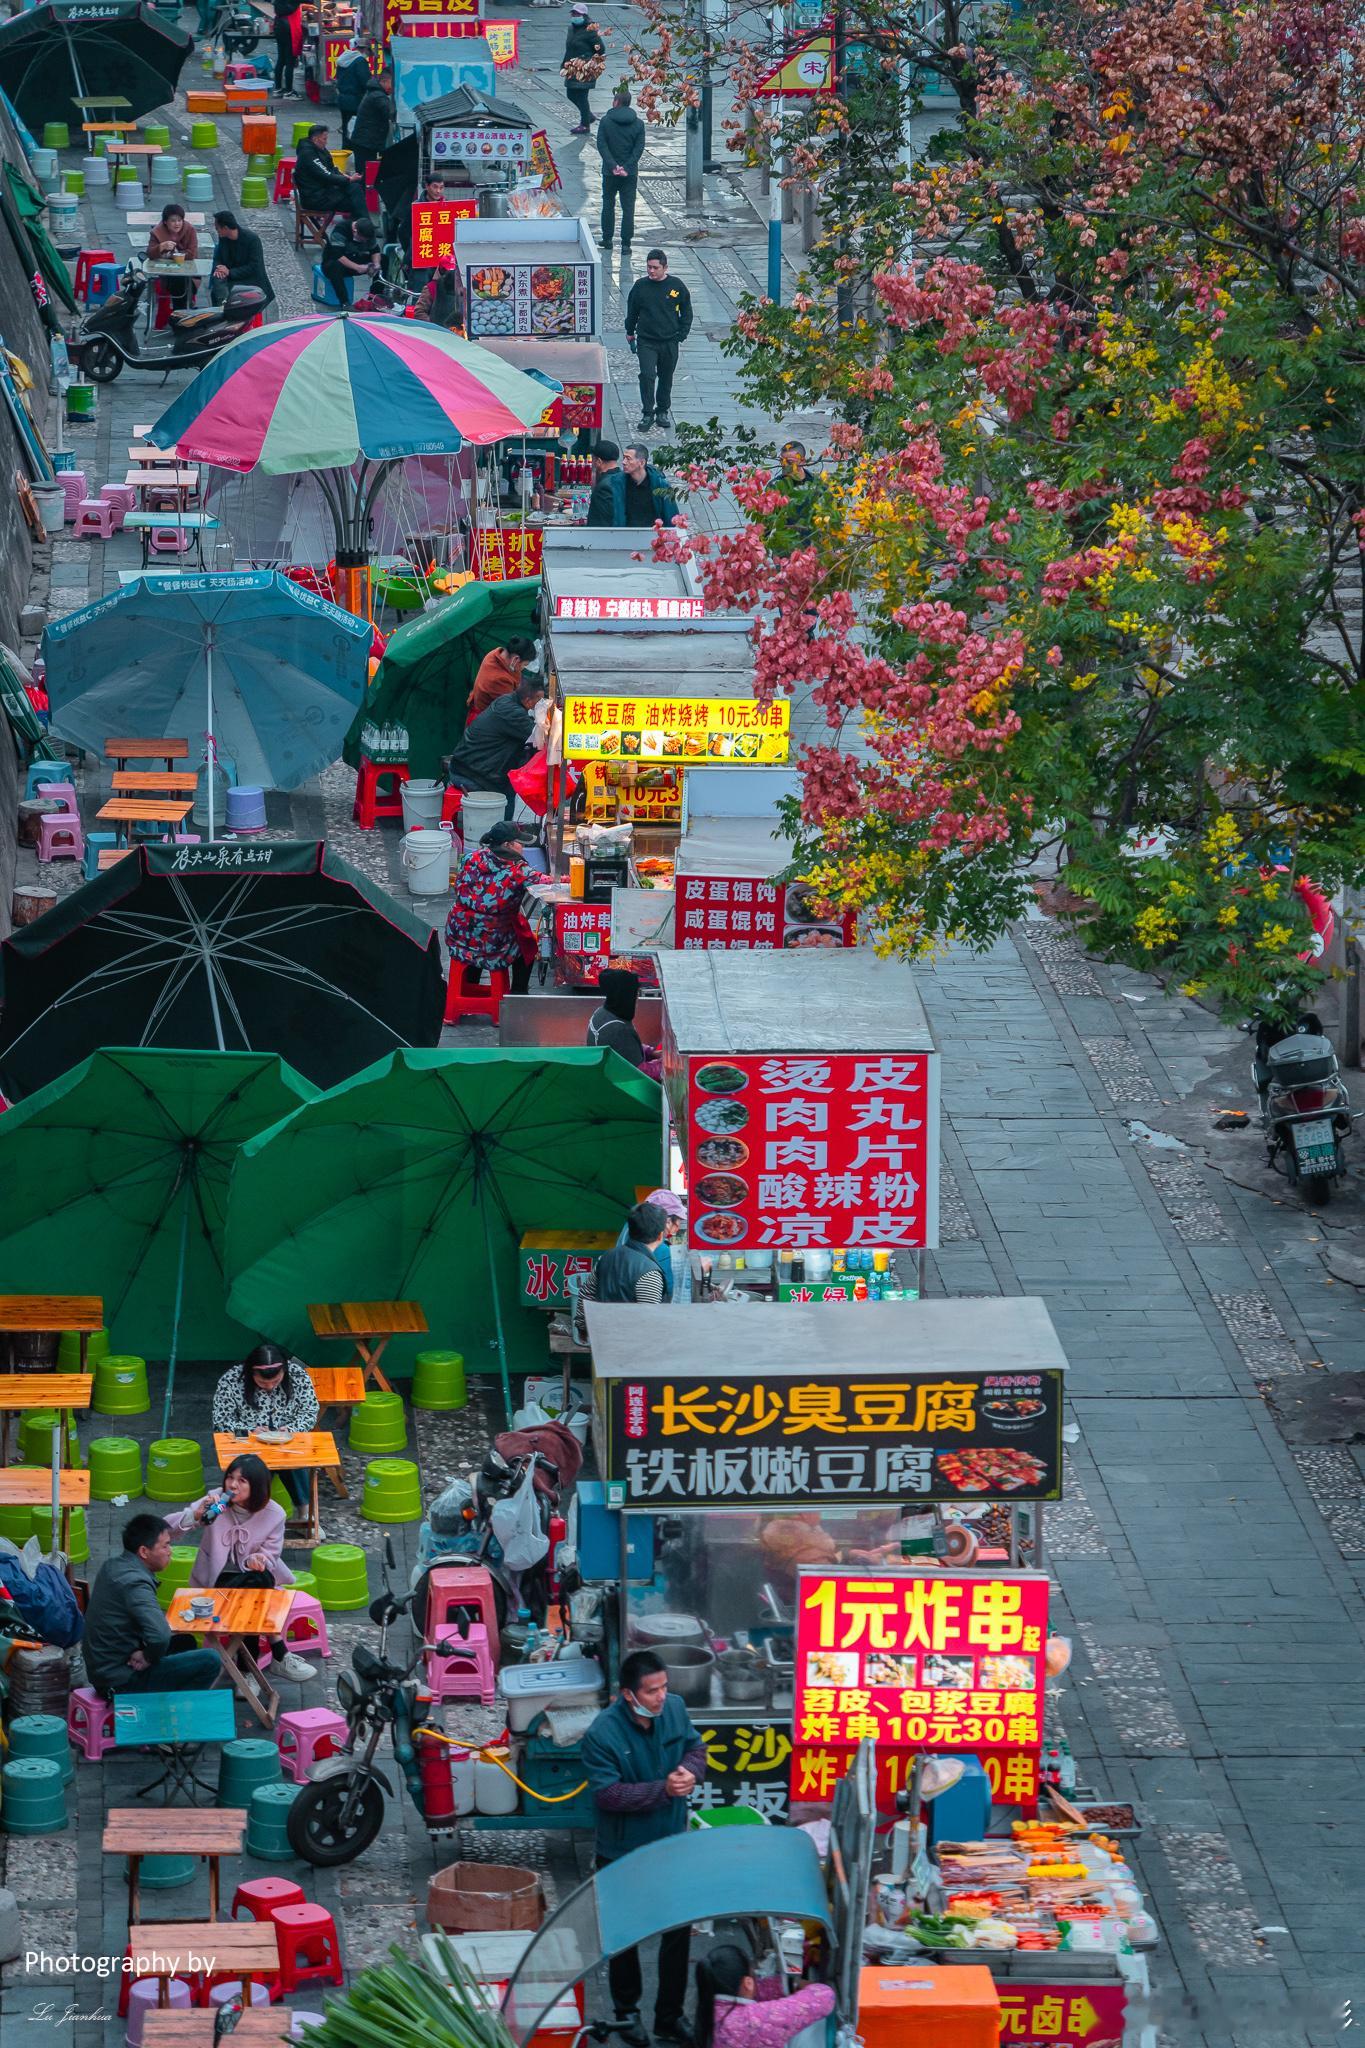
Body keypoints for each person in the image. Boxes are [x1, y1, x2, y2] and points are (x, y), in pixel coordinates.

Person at [582, 1649, 706, 2048]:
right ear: (628, 1695)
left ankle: (669, 2017)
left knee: (678, 1933)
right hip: (623, 1850)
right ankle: (626, 2014)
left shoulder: (675, 1709)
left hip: (671, 1842)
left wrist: (691, 1771)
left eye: (665, 1687)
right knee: (624, 1935)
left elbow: (695, 1748)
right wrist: (663, 1790)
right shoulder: (602, 1734)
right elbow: (609, 1794)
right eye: (652, 1691)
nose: (661, 1697)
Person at [165, 1454, 317, 1684]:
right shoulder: (215, 1502)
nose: (233, 1485)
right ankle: (273, 1656)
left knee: (257, 1582)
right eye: (230, 1478)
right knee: (255, 1591)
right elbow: (166, 1529)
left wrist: (257, 1559)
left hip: (253, 1579)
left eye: (242, 1480)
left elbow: (271, 1554)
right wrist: (195, 1515)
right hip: (217, 1581)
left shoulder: (274, 1513)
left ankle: (248, 1670)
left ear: (257, 1486)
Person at [82, 1514, 222, 1699]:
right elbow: (160, 1635)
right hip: (120, 1681)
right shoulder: (135, 1583)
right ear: (144, 1552)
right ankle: (174, 1713)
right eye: (164, 1546)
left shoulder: (113, 1566)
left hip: (105, 1667)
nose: (170, 1551)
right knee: (210, 1660)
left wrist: (146, 1653)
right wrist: (147, 1657)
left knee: (186, 1642)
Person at [211, 1343, 319, 1517]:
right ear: (251, 1373)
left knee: (293, 1460)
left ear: (284, 1371)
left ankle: (306, 1515)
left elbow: (310, 1410)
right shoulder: (231, 1380)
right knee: (250, 1469)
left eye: (275, 1381)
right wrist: (249, 1431)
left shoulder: (298, 1375)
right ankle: (245, 1515)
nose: (270, 1387)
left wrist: (292, 1429)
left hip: (288, 1440)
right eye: (262, 1382)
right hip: (248, 1444)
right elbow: (221, 1422)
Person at [444, 820, 536, 996]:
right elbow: (546, 884)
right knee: (528, 945)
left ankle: (469, 987)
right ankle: (519, 995)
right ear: (507, 845)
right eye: (520, 843)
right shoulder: (518, 870)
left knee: (478, 928)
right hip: (492, 943)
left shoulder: (470, 858)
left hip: (458, 936)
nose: (522, 847)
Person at [444, 674, 545, 817]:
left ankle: (506, 829)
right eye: (540, 700)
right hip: (471, 775)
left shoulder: (506, 701)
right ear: (528, 701)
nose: (542, 704)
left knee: (511, 778)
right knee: (508, 789)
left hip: (464, 765)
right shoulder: (513, 713)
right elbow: (540, 737)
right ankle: (503, 832)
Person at [695, 1947, 835, 2048]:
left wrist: (789, 1984)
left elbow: (756, 1990)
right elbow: (824, 1996)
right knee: (814, 2023)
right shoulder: (752, 2019)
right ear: (748, 1983)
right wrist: (800, 1985)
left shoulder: (710, 2009)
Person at [625, 249, 693, 433]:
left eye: (655, 268)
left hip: (669, 341)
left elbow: (687, 311)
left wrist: (682, 334)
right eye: (649, 267)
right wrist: (629, 331)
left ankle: (662, 410)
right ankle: (648, 412)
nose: (651, 271)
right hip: (646, 340)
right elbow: (632, 311)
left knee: (666, 376)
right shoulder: (640, 286)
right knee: (647, 375)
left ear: (665, 267)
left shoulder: (676, 286)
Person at [580, 1201, 670, 1308]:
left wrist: (585, 1324)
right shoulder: (650, 1274)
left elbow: (585, 1296)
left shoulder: (605, 1257)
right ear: (660, 1236)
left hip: (599, 1324)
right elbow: (650, 1320)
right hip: (630, 1325)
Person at [587, 440, 679, 528]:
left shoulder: (661, 485)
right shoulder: (614, 484)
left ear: (641, 462)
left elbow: (672, 518)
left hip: (653, 539)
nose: (623, 462)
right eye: (623, 458)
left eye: (628, 459)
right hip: (625, 540)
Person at [597, 86, 645, 250]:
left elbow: (602, 146)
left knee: (608, 204)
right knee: (628, 207)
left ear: (616, 102)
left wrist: (613, 166)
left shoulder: (605, 121)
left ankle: (607, 239)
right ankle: (626, 244)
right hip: (629, 174)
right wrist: (626, 167)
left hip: (609, 173)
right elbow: (638, 149)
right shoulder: (638, 124)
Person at [618, 1187, 686, 1301]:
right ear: (667, 1221)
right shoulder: (662, 1250)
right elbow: (671, 1292)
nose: (678, 1227)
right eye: (678, 1221)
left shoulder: (629, 1230)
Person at [296, 124, 366, 221]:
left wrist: (345, 177)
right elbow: (325, 174)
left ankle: (362, 225)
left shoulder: (318, 149)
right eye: (324, 139)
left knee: (355, 188)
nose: (326, 142)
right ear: (316, 139)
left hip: (324, 192)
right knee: (355, 201)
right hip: (316, 198)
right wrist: (348, 179)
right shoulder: (308, 154)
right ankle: (363, 225)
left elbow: (331, 168)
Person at [586, 965, 652, 1067]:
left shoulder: (601, 1012)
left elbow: (623, 1047)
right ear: (626, 998)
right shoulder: (619, 1029)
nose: (637, 999)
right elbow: (640, 1072)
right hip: (615, 1081)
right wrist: (664, 1064)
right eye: (635, 994)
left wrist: (650, 1052)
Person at [210, 212, 275, 311]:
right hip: (232, 277)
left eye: (217, 228)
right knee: (217, 281)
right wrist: (219, 268)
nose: (216, 230)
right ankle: (222, 308)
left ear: (226, 228)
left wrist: (229, 272)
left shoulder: (252, 239)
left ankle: (225, 308)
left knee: (228, 291)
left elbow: (254, 266)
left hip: (251, 279)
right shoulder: (224, 238)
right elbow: (218, 257)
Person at [466, 636, 537, 724]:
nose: (523, 668)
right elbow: (510, 711)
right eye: (524, 665)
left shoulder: (496, 653)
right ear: (516, 659)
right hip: (486, 721)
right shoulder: (499, 679)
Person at [562, 2, 606, 133]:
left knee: (581, 96)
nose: (575, 16)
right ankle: (588, 115)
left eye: (578, 14)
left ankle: (585, 124)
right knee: (570, 94)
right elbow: (569, 48)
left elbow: (600, 49)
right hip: (571, 67)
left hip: (585, 69)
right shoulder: (571, 28)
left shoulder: (590, 31)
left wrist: (588, 60)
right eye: (573, 13)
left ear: (584, 15)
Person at [146, 202, 198, 311]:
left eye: (179, 220)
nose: (177, 224)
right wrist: (160, 247)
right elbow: (150, 253)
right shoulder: (157, 232)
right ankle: (180, 312)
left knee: (183, 282)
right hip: (166, 272)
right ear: (165, 222)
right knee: (178, 283)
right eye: (173, 220)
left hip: (188, 270)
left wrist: (171, 255)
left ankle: (180, 311)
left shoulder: (190, 230)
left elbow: (192, 253)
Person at [322, 213, 379, 309]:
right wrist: (357, 267)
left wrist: (376, 264)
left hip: (355, 257)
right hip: (335, 261)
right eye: (362, 239)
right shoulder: (341, 230)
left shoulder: (368, 233)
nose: (364, 242)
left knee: (384, 259)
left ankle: (375, 297)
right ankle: (345, 302)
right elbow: (338, 255)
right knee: (334, 266)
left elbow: (375, 250)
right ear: (355, 231)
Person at [348, 75, 392, 185]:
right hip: (366, 142)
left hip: (364, 140)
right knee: (364, 175)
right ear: (384, 81)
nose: (393, 87)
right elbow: (390, 112)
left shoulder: (374, 92)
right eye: (392, 83)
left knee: (364, 174)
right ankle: (360, 198)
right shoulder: (378, 96)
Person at [335, 37, 374, 148]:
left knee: (346, 127)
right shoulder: (360, 61)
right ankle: (353, 151)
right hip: (355, 100)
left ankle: (345, 150)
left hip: (343, 99)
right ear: (365, 50)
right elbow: (365, 82)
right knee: (355, 128)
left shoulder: (344, 59)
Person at [413, 253, 465, 332]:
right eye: (446, 271)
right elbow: (419, 312)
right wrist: (434, 326)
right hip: (437, 333)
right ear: (441, 270)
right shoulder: (431, 288)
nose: (449, 274)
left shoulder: (463, 289)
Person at [272, 0, 302, 95]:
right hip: (289, 28)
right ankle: (289, 91)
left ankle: (278, 88)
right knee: (290, 60)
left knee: (281, 59)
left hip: (279, 25)